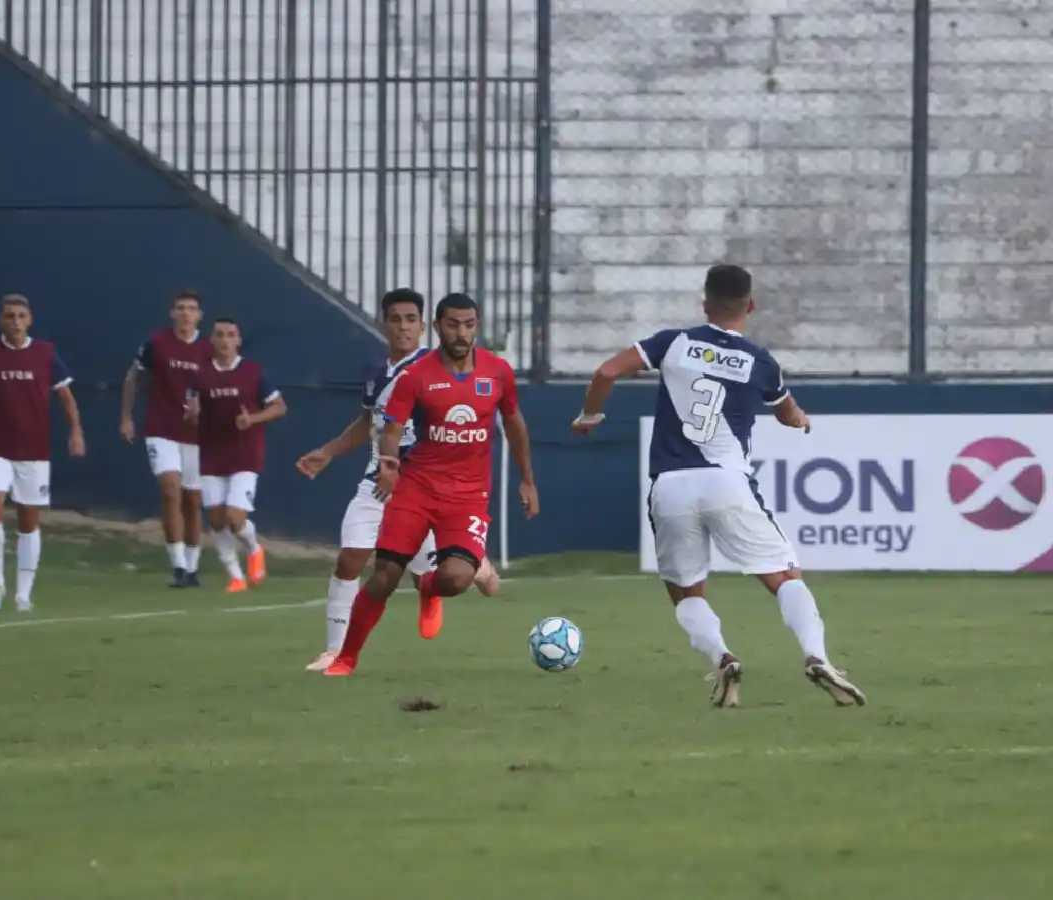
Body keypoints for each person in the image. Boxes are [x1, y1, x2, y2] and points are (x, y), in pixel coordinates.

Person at [571, 264, 866, 708]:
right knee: (784, 576)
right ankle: (817, 656)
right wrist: (800, 419)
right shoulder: (761, 361)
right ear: (750, 306)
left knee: (687, 593)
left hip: (670, 486)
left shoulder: (673, 342)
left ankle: (722, 657)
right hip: (727, 483)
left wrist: (589, 416)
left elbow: (607, 372)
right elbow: (786, 412)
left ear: (704, 302)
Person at [323, 292, 538, 676]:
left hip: (469, 496)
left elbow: (515, 423)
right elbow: (390, 429)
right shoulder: (415, 377)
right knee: (385, 575)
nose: (461, 333)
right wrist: (389, 464)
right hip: (417, 488)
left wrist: (527, 479)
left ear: (477, 327)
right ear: (437, 327)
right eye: (453, 324)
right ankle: (346, 658)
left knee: (456, 579)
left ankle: (427, 589)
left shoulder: (498, 372)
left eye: (469, 325)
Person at [0, 294, 86, 612]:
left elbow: (65, 397)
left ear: (30, 320)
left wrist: (76, 432)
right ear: (0, 320)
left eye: (21, 316)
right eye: (9, 316)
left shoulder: (46, 353)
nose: (15, 321)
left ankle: (23, 594)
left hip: (33, 450)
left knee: (28, 520)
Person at [186, 318, 286, 591]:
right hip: (211, 453)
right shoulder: (201, 376)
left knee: (234, 517)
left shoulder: (254, 373)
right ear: (212, 340)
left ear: (238, 341)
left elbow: (279, 407)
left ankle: (254, 550)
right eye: (220, 335)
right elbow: (193, 413)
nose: (226, 340)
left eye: (231, 335)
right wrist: (193, 415)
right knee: (216, 520)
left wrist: (252, 419)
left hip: (245, 453)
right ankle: (236, 577)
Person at [120, 289, 210, 588]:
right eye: (181, 308)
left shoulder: (210, 349)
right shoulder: (156, 343)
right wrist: (126, 417)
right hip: (161, 429)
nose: (186, 313)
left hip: (198, 435)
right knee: (170, 491)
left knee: (192, 499)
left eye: (192, 309)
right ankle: (179, 566)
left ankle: (194, 567)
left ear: (200, 316)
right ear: (172, 313)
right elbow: (133, 377)